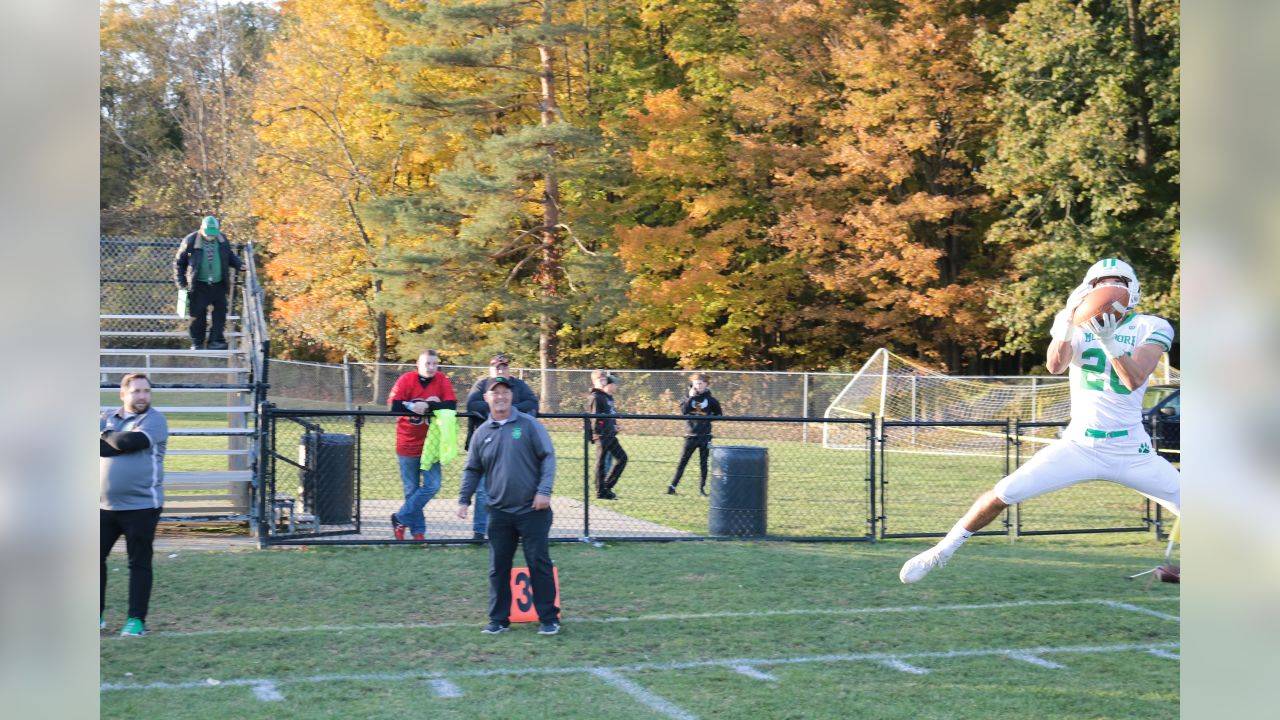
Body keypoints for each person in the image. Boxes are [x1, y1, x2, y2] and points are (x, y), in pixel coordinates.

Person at [899, 258, 1181, 584]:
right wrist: (1065, 324)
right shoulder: (1077, 323)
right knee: (1003, 493)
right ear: (1087, 291)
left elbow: (1134, 379)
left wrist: (1109, 341)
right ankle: (941, 551)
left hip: (1131, 448)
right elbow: (1055, 365)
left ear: (1132, 290)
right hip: (1080, 445)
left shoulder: (1152, 325)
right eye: (1101, 284)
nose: (1108, 290)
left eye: (1116, 283)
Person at [456, 377, 560, 635]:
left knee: (538, 563)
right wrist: (463, 499)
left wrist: (544, 492)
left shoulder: (529, 424)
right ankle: (498, 620)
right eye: (495, 393)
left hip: (532, 510)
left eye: (505, 392)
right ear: (487, 399)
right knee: (498, 567)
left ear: (511, 396)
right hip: (499, 512)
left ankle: (549, 619)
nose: (500, 397)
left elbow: (548, 457)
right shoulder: (482, 433)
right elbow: (472, 469)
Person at [101, 373, 169, 637]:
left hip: (141, 507)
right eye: (136, 391)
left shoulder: (154, 419)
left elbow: (130, 442)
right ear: (123, 394)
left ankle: (136, 621)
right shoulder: (109, 416)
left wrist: (106, 435)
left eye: (146, 391)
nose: (142, 396)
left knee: (139, 564)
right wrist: (113, 440)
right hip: (102, 507)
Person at [464, 353, 540, 540]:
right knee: (482, 489)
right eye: (496, 366)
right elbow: (472, 404)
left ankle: (511, 531)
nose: (500, 369)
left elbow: (533, 403)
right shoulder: (482, 385)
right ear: (491, 368)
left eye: (504, 366)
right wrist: (499, 407)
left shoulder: (519, 385)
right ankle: (480, 531)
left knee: (514, 487)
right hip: (486, 444)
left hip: (515, 447)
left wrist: (508, 409)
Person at [387, 349, 457, 540]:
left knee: (433, 485)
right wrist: (413, 406)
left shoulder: (442, 380)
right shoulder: (406, 380)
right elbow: (394, 405)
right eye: (428, 363)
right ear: (418, 364)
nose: (432, 367)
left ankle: (400, 518)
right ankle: (418, 532)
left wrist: (429, 405)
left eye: (435, 364)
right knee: (411, 489)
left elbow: (452, 405)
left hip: (431, 445)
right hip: (407, 443)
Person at [173, 215, 244, 350]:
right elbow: (178, 264)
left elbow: (230, 256)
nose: (211, 237)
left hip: (219, 284)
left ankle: (215, 341)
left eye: (213, 234)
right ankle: (197, 343)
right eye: (208, 234)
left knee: (220, 314)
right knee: (197, 315)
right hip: (198, 285)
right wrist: (182, 286)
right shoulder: (190, 240)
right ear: (201, 229)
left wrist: (239, 265)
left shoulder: (222, 240)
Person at [668, 372, 723, 496]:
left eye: (700, 383)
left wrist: (707, 419)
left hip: (705, 436)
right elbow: (683, 411)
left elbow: (719, 414)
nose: (698, 386)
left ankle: (702, 489)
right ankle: (672, 487)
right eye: (695, 383)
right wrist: (691, 397)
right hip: (690, 436)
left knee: (704, 463)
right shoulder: (686, 397)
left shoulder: (711, 399)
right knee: (683, 462)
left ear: (706, 384)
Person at [588, 370, 627, 500]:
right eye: (600, 380)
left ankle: (607, 486)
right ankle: (601, 491)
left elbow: (607, 416)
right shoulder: (595, 397)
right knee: (601, 463)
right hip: (602, 435)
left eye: (604, 380)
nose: (603, 382)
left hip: (610, 434)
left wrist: (613, 425)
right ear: (595, 381)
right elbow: (595, 419)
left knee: (622, 458)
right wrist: (598, 434)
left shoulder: (604, 396)